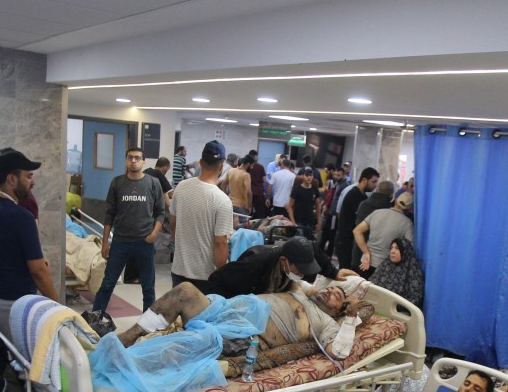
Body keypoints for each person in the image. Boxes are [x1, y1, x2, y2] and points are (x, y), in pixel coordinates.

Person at [113, 279, 369, 366]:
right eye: (330, 288)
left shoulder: (328, 323)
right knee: (185, 290)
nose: (330, 291)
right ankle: (129, 336)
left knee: (182, 346)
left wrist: (350, 317)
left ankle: (135, 363)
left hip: (244, 335)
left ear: (340, 309)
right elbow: (294, 271)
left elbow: (339, 351)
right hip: (223, 310)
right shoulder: (300, 293)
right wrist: (332, 279)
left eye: (337, 295)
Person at [0, 149, 59, 339]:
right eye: (28, 176)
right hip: (11, 306)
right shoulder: (21, 217)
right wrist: (58, 308)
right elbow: (38, 271)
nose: (32, 182)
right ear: (12, 179)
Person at [93, 146, 165, 314]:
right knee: (107, 284)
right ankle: (95, 318)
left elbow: (160, 212)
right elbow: (109, 214)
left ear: (144, 161)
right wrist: (105, 242)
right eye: (130, 157)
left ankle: (148, 323)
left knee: (148, 287)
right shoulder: (117, 182)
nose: (133, 161)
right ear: (126, 161)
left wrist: (154, 233)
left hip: (144, 242)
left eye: (137, 158)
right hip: (120, 242)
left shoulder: (153, 183)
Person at [170, 140, 232, 292]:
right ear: (221, 166)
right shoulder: (222, 200)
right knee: (205, 309)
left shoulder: (181, 187)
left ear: (201, 162)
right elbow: (220, 243)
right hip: (205, 276)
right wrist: (221, 274)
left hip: (179, 270)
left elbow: (173, 224)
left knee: (180, 307)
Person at [207, 236, 356, 299]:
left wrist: (334, 272)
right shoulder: (255, 263)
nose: (302, 274)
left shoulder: (303, 251)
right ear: (284, 261)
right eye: (299, 270)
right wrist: (221, 306)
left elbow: (315, 250)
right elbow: (217, 279)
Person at [353, 193, 414, 277]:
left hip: (365, 263)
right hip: (386, 267)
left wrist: (366, 252)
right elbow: (409, 246)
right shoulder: (407, 223)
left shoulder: (377, 212)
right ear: (409, 210)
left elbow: (357, 231)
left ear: (395, 200)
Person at [335, 167, 380, 269]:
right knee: (345, 272)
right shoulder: (353, 195)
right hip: (345, 241)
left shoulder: (363, 196)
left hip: (350, 241)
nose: (375, 185)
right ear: (364, 180)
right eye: (373, 182)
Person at [372, 236, 425, 308]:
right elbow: (372, 284)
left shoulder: (413, 272)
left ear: (405, 251)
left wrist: (394, 307)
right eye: (391, 248)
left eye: (397, 248)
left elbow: (415, 298)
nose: (392, 251)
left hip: (398, 311)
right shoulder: (385, 265)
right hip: (378, 305)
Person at [287, 167, 321, 238]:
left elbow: (317, 206)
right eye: (307, 175)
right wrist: (293, 222)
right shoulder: (297, 189)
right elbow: (290, 207)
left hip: (310, 221)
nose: (309, 177)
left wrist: (319, 222)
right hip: (298, 221)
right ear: (303, 176)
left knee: (308, 241)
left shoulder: (314, 189)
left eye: (310, 175)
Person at [247, 150, 268, 219]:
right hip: (258, 192)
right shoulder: (260, 167)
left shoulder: (246, 166)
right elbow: (264, 180)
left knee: (247, 212)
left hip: (248, 191)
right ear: (255, 156)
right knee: (260, 212)